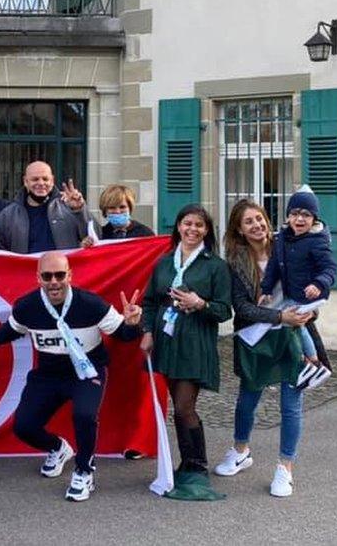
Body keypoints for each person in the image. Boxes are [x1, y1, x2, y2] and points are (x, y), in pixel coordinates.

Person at [0, 252, 144, 502]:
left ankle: (85, 471)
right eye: (47, 276)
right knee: (23, 426)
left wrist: (133, 323)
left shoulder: (91, 304)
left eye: (60, 275)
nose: (54, 281)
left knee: (84, 414)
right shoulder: (27, 306)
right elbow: (10, 331)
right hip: (48, 374)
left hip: (87, 372)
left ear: (70, 276)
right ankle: (58, 448)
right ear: (38, 279)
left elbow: (124, 335)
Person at [214, 199, 313, 497]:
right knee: (247, 400)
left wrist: (307, 312)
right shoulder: (234, 262)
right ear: (239, 230)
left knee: (290, 404)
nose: (256, 225)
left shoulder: (289, 247)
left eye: (259, 218)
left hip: (292, 335)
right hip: (255, 337)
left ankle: (285, 468)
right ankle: (241, 451)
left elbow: (312, 287)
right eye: (248, 222)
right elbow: (241, 307)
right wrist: (278, 315)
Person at [140, 204, 232, 500]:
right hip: (166, 342)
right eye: (187, 223)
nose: (192, 230)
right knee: (176, 408)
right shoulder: (164, 262)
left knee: (184, 406)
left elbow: (224, 311)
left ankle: (197, 465)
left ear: (207, 231)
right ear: (178, 226)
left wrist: (200, 303)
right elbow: (151, 302)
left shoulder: (215, 265)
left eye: (199, 226)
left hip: (195, 342)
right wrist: (147, 332)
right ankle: (186, 463)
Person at [259, 186, 337, 366]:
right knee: (290, 320)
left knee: (294, 321)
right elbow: (273, 266)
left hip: (310, 295)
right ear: (288, 216)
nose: (300, 219)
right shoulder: (281, 238)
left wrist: (318, 284)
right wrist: (266, 289)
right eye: (294, 213)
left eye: (306, 215)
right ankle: (308, 360)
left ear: (314, 218)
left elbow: (330, 268)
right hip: (292, 292)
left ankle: (313, 360)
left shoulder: (317, 241)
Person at [0, 160, 90, 253]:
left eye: (45, 179)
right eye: (35, 179)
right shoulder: (8, 215)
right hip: (25, 270)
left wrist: (80, 210)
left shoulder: (69, 208)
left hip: (62, 269)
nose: (41, 183)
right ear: (25, 181)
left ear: (52, 181)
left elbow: (93, 237)